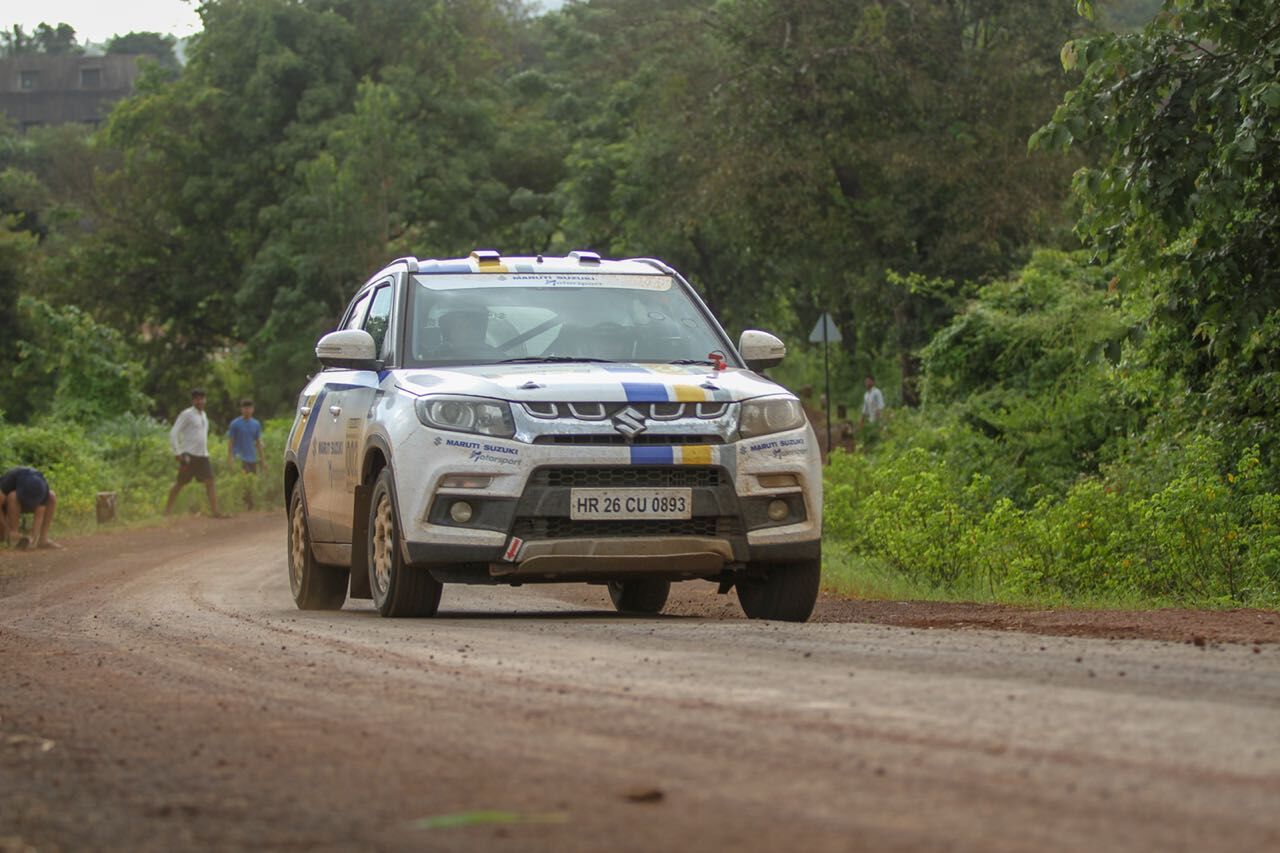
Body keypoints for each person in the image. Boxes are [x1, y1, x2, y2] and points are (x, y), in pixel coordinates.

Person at [165, 388, 224, 517]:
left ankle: (215, 511)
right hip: (189, 455)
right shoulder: (187, 414)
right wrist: (177, 452)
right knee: (180, 483)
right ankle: (167, 511)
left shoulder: (204, 415)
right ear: (193, 401)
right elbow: (174, 432)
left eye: (202, 399)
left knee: (210, 481)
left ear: (205, 400)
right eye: (197, 399)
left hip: (203, 455)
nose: (200, 401)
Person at [0, 466, 60, 549]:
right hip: (8, 506)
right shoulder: (10, 479)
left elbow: (39, 515)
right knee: (12, 496)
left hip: (25, 502)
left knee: (52, 496)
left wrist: (33, 539)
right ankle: (14, 535)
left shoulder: (43, 487)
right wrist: (7, 529)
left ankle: (43, 539)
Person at [228, 398, 266, 510]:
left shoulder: (256, 424)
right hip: (240, 457)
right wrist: (230, 458)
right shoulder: (235, 424)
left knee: (252, 482)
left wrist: (263, 460)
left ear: (253, 409)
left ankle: (251, 505)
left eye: (249, 408)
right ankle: (242, 504)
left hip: (252, 457)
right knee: (242, 482)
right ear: (241, 409)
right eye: (245, 408)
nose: (247, 410)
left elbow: (258, 442)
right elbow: (230, 442)